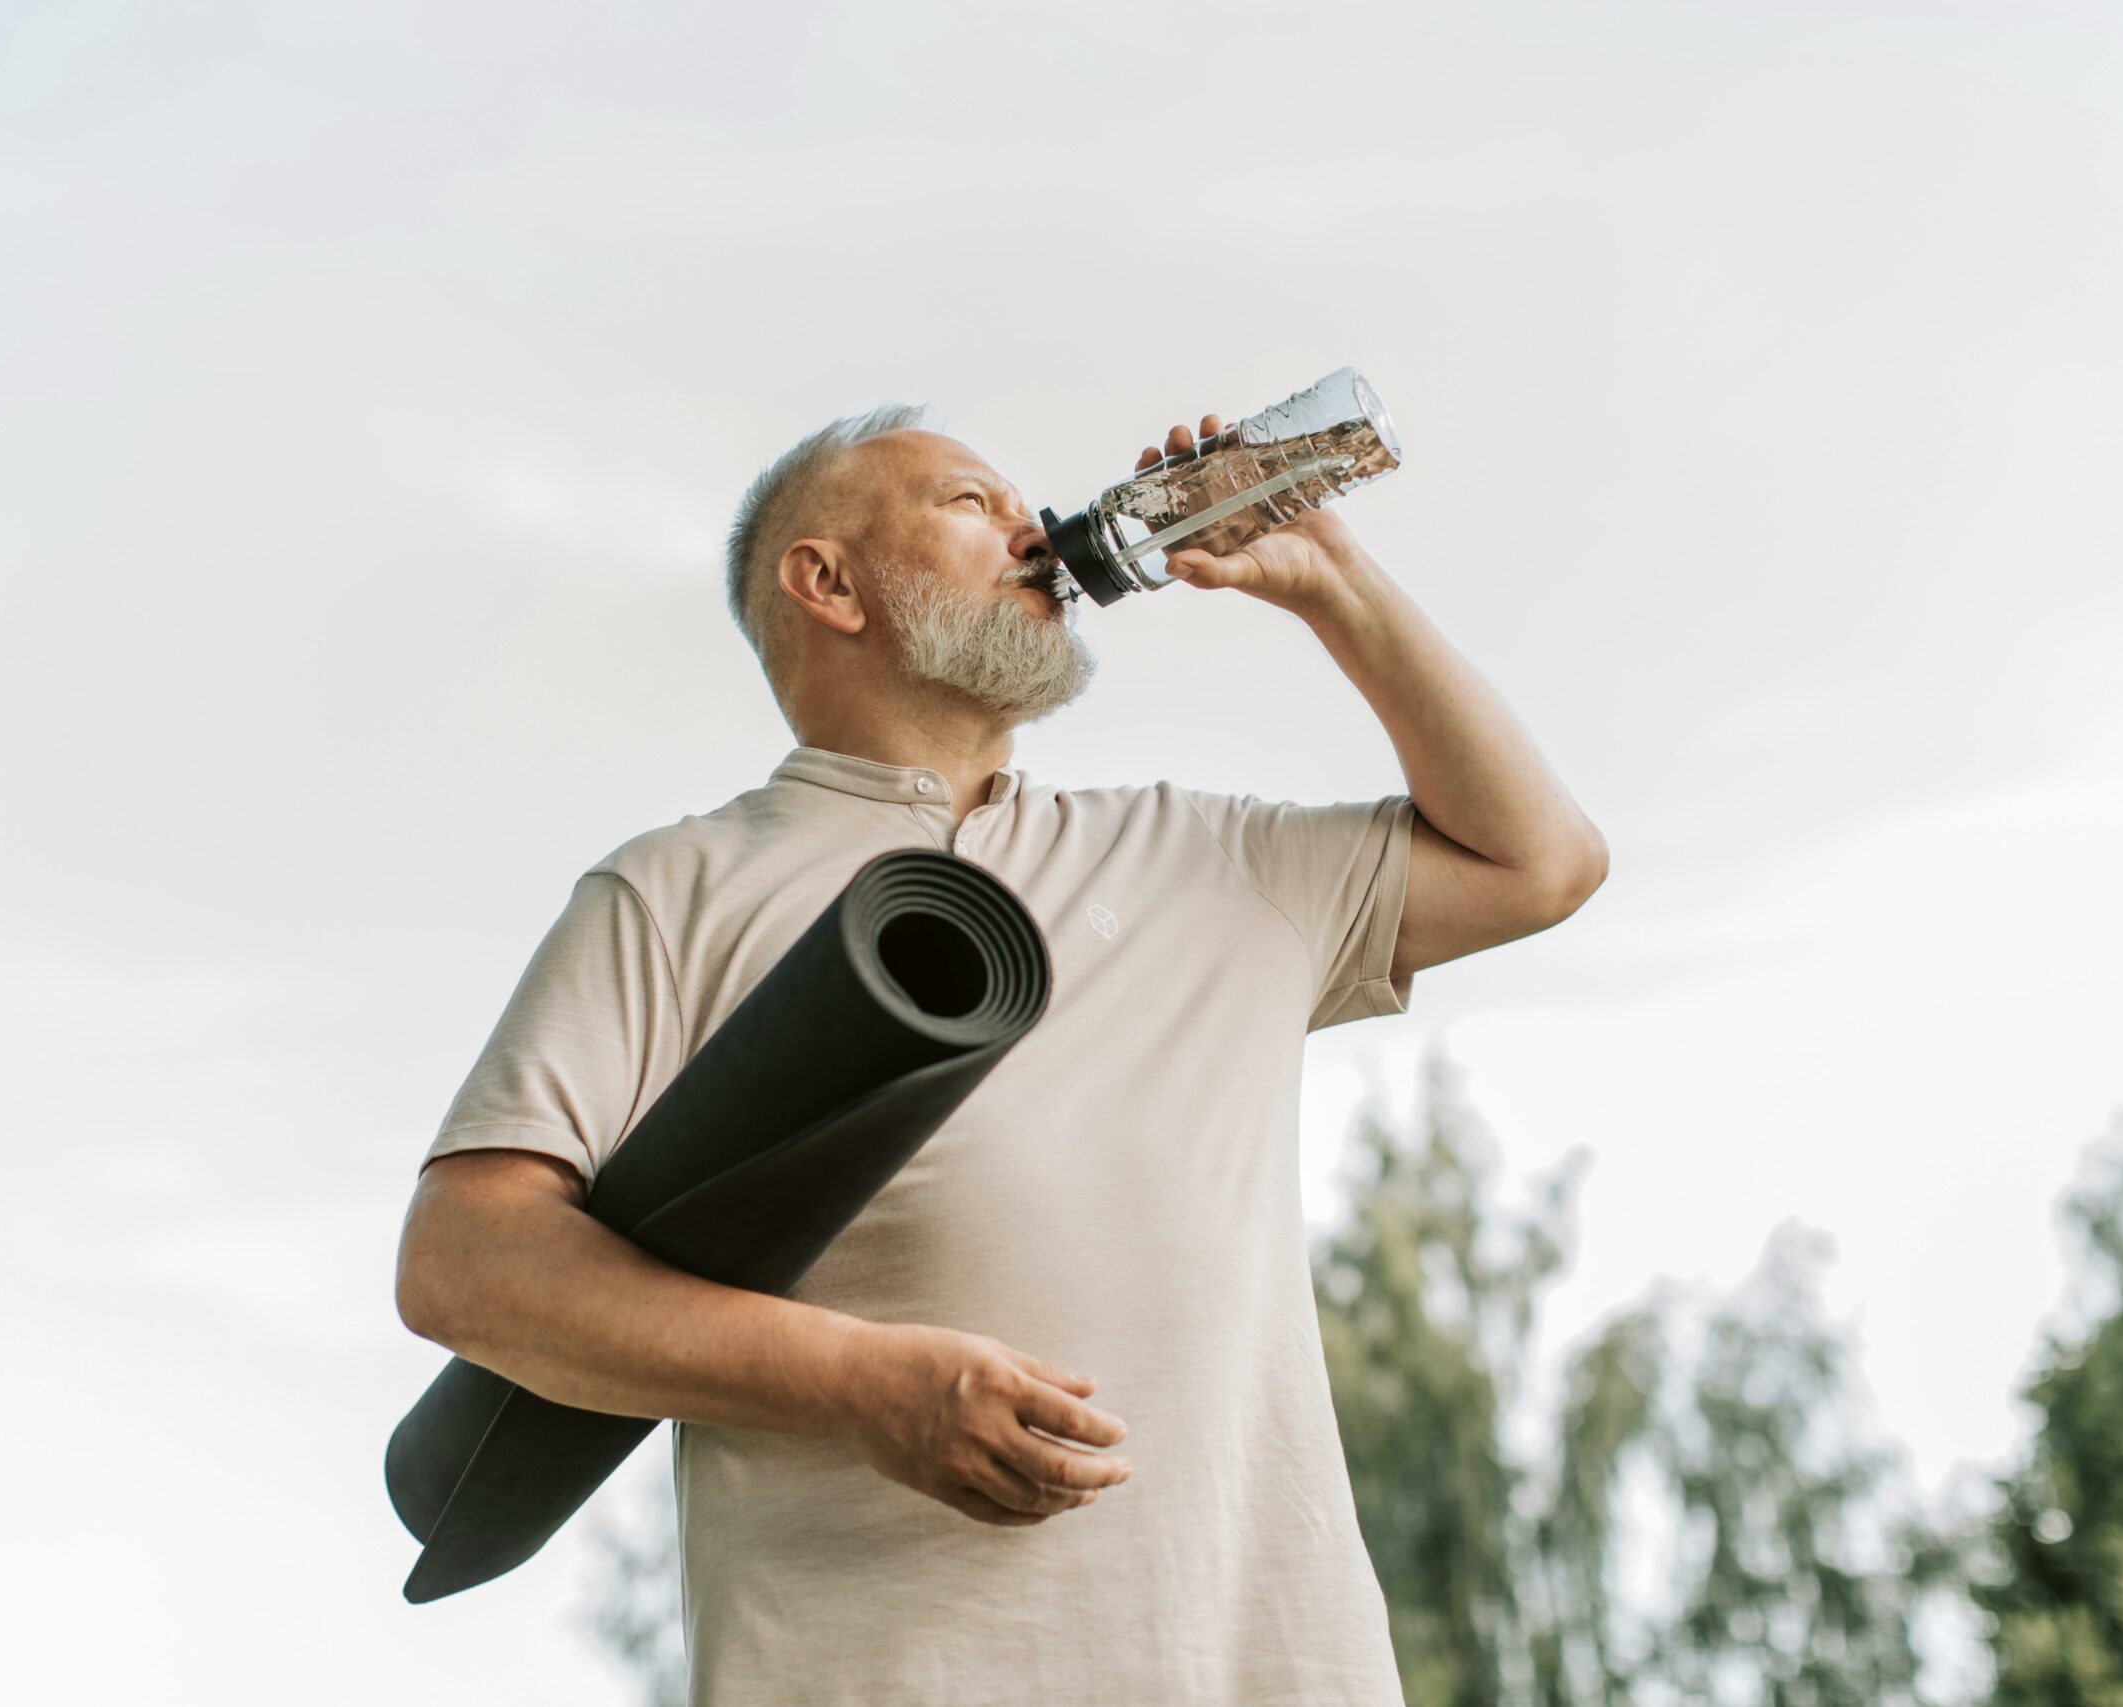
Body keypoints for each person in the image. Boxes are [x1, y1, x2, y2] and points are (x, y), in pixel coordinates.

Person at [393, 401, 1609, 1705]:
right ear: (828, 581)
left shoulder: (1210, 859)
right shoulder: (678, 890)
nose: (1032, 526)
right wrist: (859, 1381)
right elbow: (466, 1265)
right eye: (970, 502)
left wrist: (1335, 583)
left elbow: (1539, 862)